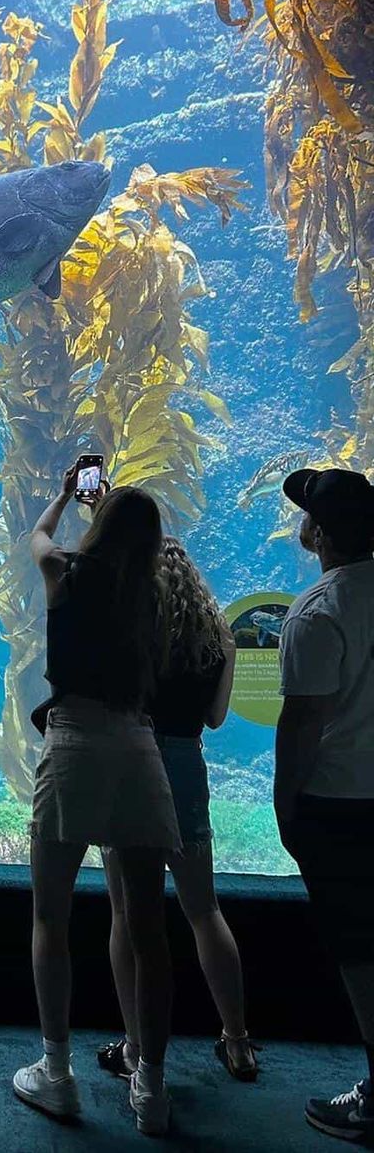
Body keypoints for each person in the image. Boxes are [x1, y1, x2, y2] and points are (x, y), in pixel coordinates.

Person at [13, 469, 179, 1137]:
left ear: (101, 523)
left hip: (75, 744)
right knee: (149, 930)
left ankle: (57, 1073)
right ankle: (153, 1088)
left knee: (51, 915)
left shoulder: (66, 572)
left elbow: (37, 537)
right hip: (140, 753)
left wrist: (63, 494)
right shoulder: (154, 596)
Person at [99, 538, 258, 1083]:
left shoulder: (136, 632)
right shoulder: (220, 639)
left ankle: (136, 1044)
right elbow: (215, 719)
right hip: (187, 767)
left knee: (125, 913)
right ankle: (237, 1041)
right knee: (204, 909)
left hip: (135, 760)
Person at [276, 467, 374, 1141]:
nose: (299, 519)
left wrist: (287, 805)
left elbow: (302, 725)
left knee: (360, 951)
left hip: (340, 802)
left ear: (321, 534)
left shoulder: (317, 612)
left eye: (307, 512)